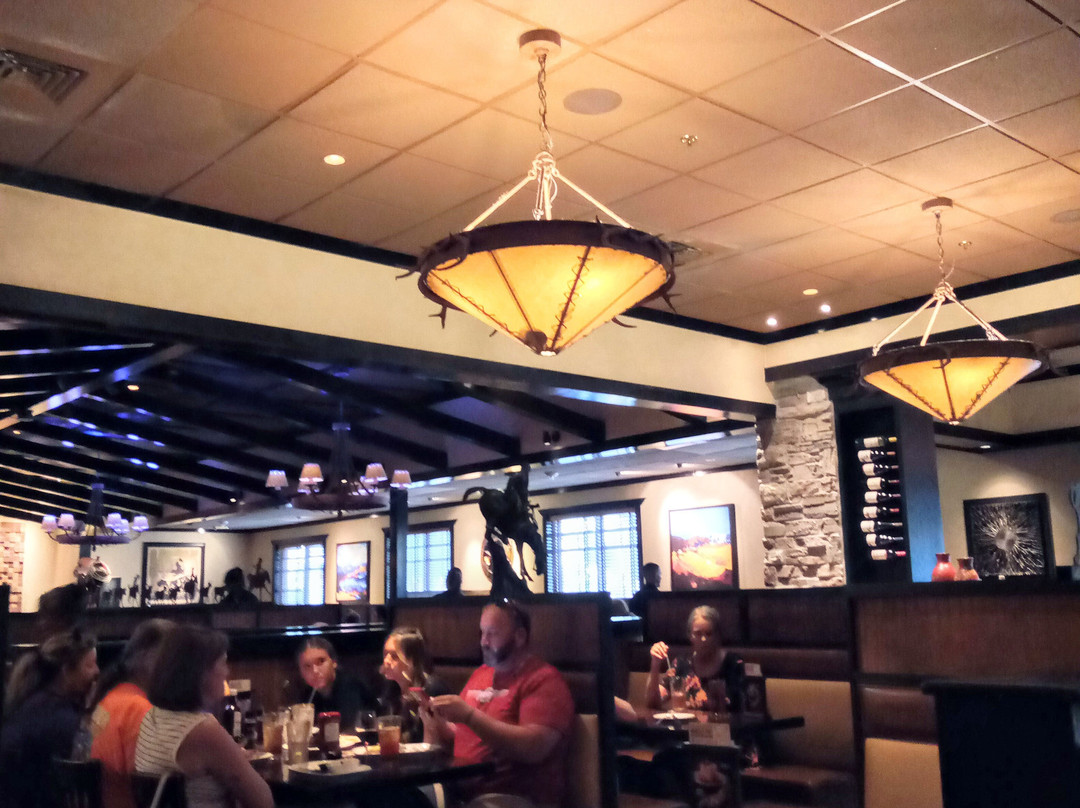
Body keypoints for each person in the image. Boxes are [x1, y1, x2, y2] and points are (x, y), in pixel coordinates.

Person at [423, 600, 575, 808]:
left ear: (519, 637)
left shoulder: (543, 680)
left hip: (513, 798)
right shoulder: (481, 674)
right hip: (459, 793)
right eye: (482, 633)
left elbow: (534, 748)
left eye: (492, 634)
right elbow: (464, 734)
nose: (483, 642)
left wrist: (469, 715)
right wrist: (436, 722)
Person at [134, 625, 272, 808]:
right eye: (223, 663)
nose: (227, 672)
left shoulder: (151, 718)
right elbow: (263, 801)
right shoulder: (202, 731)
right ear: (201, 673)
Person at [0, 628, 99, 808]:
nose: (97, 672)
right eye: (90, 665)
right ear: (66, 671)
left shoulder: (29, 704)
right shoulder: (63, 721)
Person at [89, 619, 174, 808]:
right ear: (148, 659)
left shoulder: (110, 699)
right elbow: (151, 784)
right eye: (173, 658)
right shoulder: (139, 709)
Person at [646, 605, 744, 713]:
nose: (703, 639)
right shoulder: (681, 664)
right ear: (690, 636)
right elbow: (653, 703)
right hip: (686, 724)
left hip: (721, 723)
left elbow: (738, 708)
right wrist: (655, 663)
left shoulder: (732, 663)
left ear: (717, 636)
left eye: (709, 633)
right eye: (698, 633)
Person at [378, 627, 451, 742]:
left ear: (412, 661)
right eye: (385, 654)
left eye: (394, 656)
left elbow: (436, 742)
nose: (386, 661)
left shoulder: (432, 689)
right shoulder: (392, 691)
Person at [294, 637, 375, 731]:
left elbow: (348, 728)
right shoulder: (306, 696)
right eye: (307, 666)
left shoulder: (351, 687)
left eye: (321, 661)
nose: (315, 671)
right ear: (301, 672)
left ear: (334, 662)